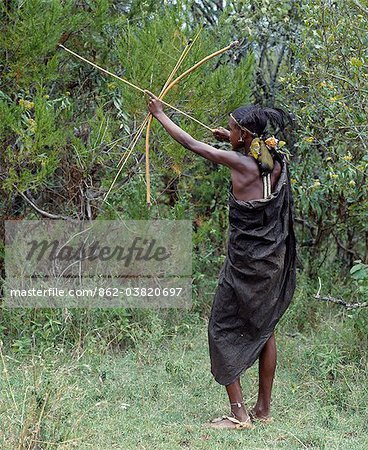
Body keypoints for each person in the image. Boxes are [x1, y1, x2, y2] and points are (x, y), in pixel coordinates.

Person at [146, 92, 297, 430]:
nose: (227, 133)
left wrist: (160, 115)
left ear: (245, 135)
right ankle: (263, 409)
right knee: (264, 327)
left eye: (232, 129)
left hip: (246, 266)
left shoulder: (242, 162)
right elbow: (248, 153)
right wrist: (232, 140)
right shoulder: (271, 159)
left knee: (220, 329)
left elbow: (193, 146)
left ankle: (240, 414)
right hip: (271, 261)